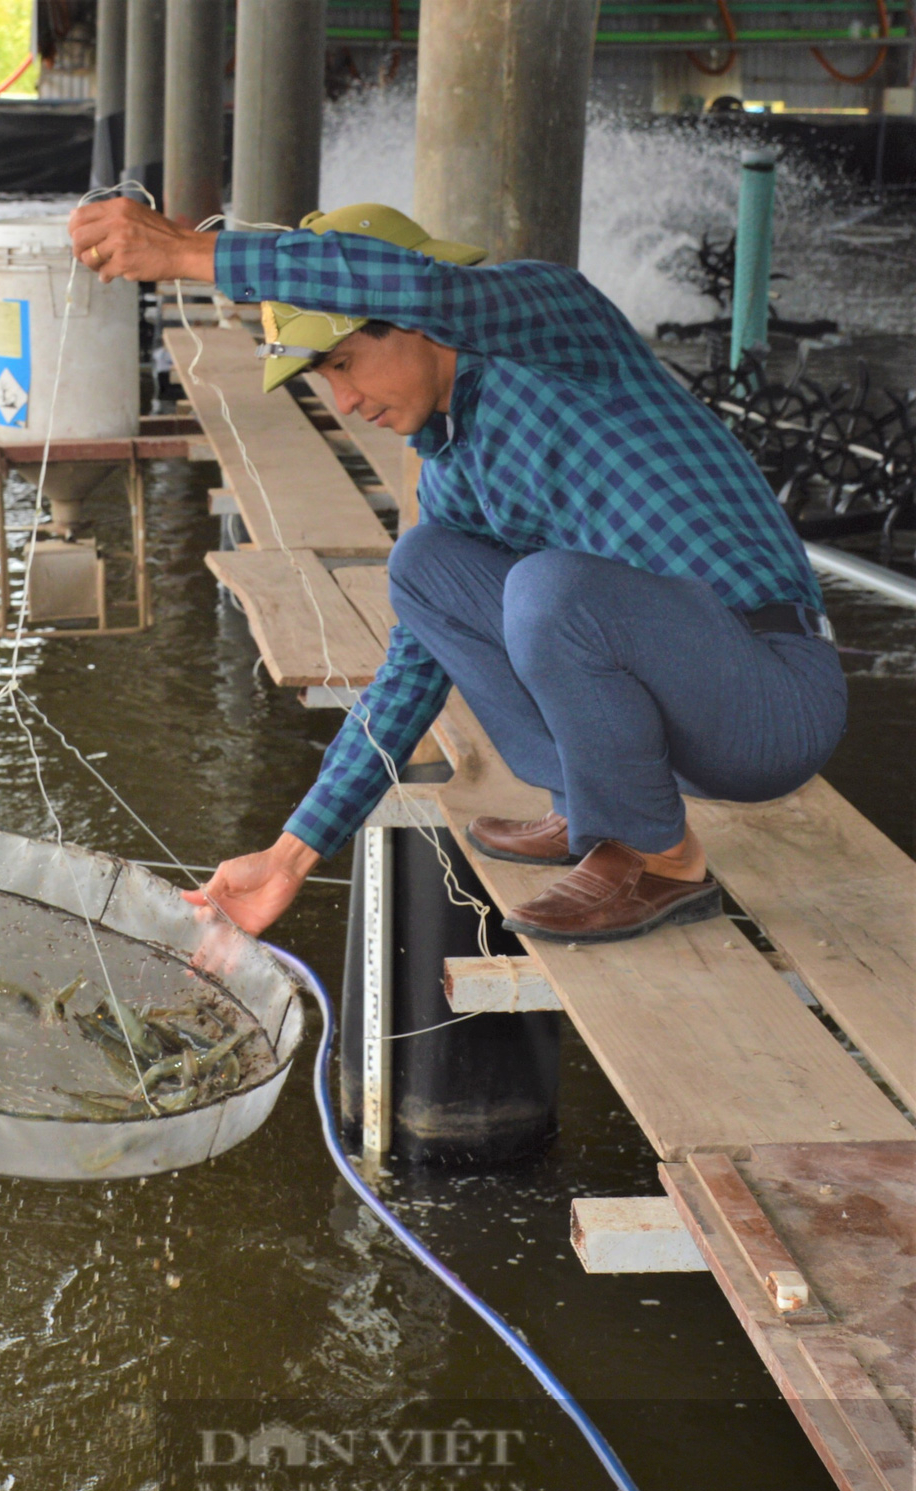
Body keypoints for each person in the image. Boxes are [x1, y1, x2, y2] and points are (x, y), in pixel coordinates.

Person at [68, 198, 845, 944]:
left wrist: (183, 253)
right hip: (676, 725)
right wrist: (291, 852)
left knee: (550, 592)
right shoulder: (452, 473)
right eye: (322, 379)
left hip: (772, 697)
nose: (343, 398)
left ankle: (660, 860)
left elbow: (421, 284)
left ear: (418, 323)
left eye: (345, 362)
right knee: (423, 566)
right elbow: (412, 668)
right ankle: (589, 809)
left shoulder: (554, 328)